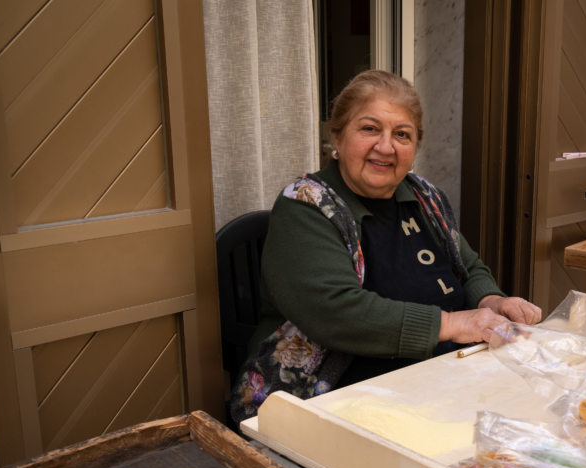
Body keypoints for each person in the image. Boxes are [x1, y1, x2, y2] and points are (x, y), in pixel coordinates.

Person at [230, 69, 541, 425]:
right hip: (333, 399)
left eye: (402, 135)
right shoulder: (305, 205)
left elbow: (468, 268)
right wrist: (454, 323)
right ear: (338, 136)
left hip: (443, 382)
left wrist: (493, 302)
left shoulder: (425, 196)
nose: (385, 146)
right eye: (369, 128)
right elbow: (336, 313)